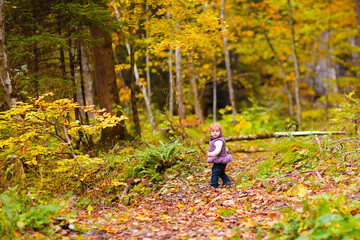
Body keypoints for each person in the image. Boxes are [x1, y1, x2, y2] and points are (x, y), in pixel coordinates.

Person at [207, 122, 232, 189]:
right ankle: (227, 181)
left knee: (214, 172)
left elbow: (218, 150)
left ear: (220, 132)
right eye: (213, 131)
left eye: (217, 131)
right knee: (220, 172)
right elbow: (223, 147)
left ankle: (214, 185)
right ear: (210, 132)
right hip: (221, 160)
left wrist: (212, 154)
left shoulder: (218, 141)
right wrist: (226, 150)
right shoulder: (217, 140)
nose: (215, 133)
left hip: (220, 160)